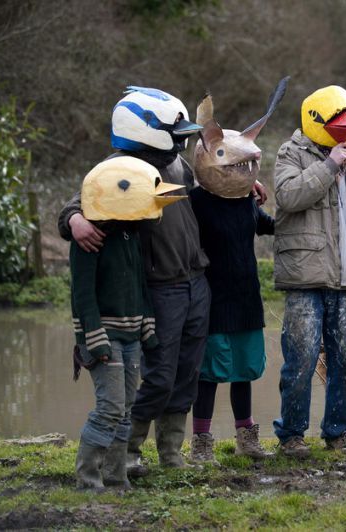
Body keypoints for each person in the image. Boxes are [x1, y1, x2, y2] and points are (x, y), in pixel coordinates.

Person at [58, 86, 212, 471]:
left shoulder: (178, 164)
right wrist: (73, 219)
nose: (180, 142)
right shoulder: (118, 168)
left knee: (186, 373)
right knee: (158, 376)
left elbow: (198, 193)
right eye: (174, 134)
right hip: (159, 288)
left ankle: (172, 453)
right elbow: (79, 202)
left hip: (195, 281)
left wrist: (241, 190)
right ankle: (126, 452)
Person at [271, 86, 346, 458]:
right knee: (302, 359)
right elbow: (288, 195)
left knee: (343, 361)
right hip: (306, 278)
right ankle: (291, 436)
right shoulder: (290, 153)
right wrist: (328, 166)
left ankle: (338, 434)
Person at [186, 81, 287, 462]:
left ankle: (247, 438)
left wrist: (296, 213)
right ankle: (201, 443)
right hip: (211, 300)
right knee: (209, 374)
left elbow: (267, 224)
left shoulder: (245, 201)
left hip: (246, 298)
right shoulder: (196, 203)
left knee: (244, 370)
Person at [70, 156, 183, 489]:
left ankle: (116, 478)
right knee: (109, 406)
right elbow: (82, 296)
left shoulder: (132, 234)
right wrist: (93, 338)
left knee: (126, 407)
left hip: (132, 334)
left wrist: (147, 327)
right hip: (103, 335)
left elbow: (139, 285)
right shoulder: (89, 238)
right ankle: (87, 479)